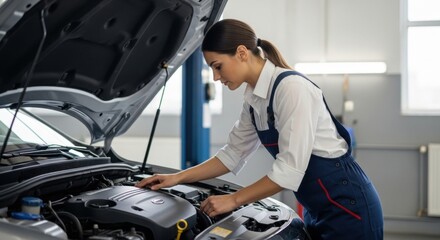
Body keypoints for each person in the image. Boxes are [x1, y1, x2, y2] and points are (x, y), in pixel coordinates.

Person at [136, 19, 383, 240]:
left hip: (349, 207)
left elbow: (288, 171)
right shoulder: (253, 99)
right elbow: (231, 155)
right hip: (316, 208)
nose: (215, 77)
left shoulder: (292, 89)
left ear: (242, 53)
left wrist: (233, 200)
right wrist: (177, 177)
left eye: (218, 66)